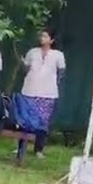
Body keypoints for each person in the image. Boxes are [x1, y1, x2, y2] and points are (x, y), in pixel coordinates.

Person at [18, 28, 66, 158]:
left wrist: (54, 82)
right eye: (41, 36)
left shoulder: (58, 55)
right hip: (29, 90)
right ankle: (21, 147)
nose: (42, 38)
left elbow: (61, 71)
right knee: (26, 120)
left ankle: (38, 149)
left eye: (45, 36)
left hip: (47, 94)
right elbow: (26, 69)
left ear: (52, 40)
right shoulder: (32, 52)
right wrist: (22, 64)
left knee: (43, 121)